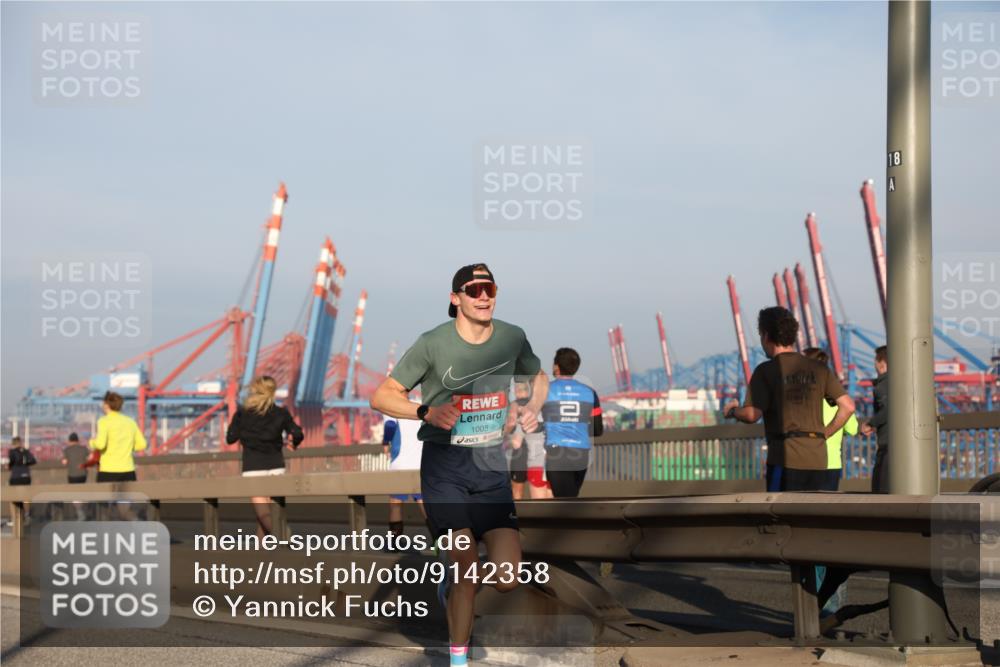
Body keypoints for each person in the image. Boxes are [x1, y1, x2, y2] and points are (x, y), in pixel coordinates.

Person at [370, 263, 548, 667]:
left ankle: (451, 584)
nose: (484, 296)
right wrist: (426, 412)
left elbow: (538, 376)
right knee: (466, 565)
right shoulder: (433, 344)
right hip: (444, 469)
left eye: (490, 288)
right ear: (456, 298)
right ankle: (458, 659)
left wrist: (531, 406)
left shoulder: (511, 337)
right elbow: (382, 396)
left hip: (490, 468)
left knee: (508, 578)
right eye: (474, 289)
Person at [724, 307, 855, 492]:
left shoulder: (766, 371)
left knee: (780, 514)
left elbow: (752, 414)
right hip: (819, 459)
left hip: (784, 458)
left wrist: (732, 411)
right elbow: (848, 407)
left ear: (766, 335)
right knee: (813, 517)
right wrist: (825, 433)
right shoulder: (819, 368)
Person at [226, 375, 304, 538]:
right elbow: (297, 433)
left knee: (263, 514)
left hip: (253, 467)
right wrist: (293, 444)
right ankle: (261, 553)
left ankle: (286, 536)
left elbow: (230, 438)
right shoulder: (280, 413)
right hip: (277, 466)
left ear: (254, 391)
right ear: (272, 392)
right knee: (268, 512)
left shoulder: (242, 414)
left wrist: (243, 429)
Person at [541, 347, 603, 498]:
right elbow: (597, 429)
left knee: (563, 504)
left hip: (557, 452)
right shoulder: (589, 392)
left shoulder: (545, 390)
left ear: (556, 366)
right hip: (581, 453)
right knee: (572, 499)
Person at [802, 349, 859, 492]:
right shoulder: (838, 398)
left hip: (804, 462)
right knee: (825, 507)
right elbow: (852, 430)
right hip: (832, 463)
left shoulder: (802, 397)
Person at [382, 415, 427, 542]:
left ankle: (394, 543)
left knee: (395, 504)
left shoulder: (390, 406)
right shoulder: (418, 405)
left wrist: (385, 442)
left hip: (400, 464)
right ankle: (439, 541)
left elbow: (390, 425)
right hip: (420, 462)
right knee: (424, 503)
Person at [90, 391, 147, 483]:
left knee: (106, 497)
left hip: (108, 471)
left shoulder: (103, 421)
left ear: (106, 405)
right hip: (128, 470)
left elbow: (100, 445)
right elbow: (142, 444)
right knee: (127, 497)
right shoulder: (130, 422)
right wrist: (126, 446)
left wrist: (92, 443)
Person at [510, 381, 551, 500]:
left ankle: (517, 516)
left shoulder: (515, 405)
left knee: (517, 490)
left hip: (520, 454)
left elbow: (515, 442)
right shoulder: (539, 406)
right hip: (542, 457)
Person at [861, 345, 889, 493]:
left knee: (880, 490)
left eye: (875, 361)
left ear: (881, 363)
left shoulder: (884, 385)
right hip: (897, 445)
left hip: (887, 446)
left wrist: (870, 424)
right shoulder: (900, 382)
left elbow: (889, 409)